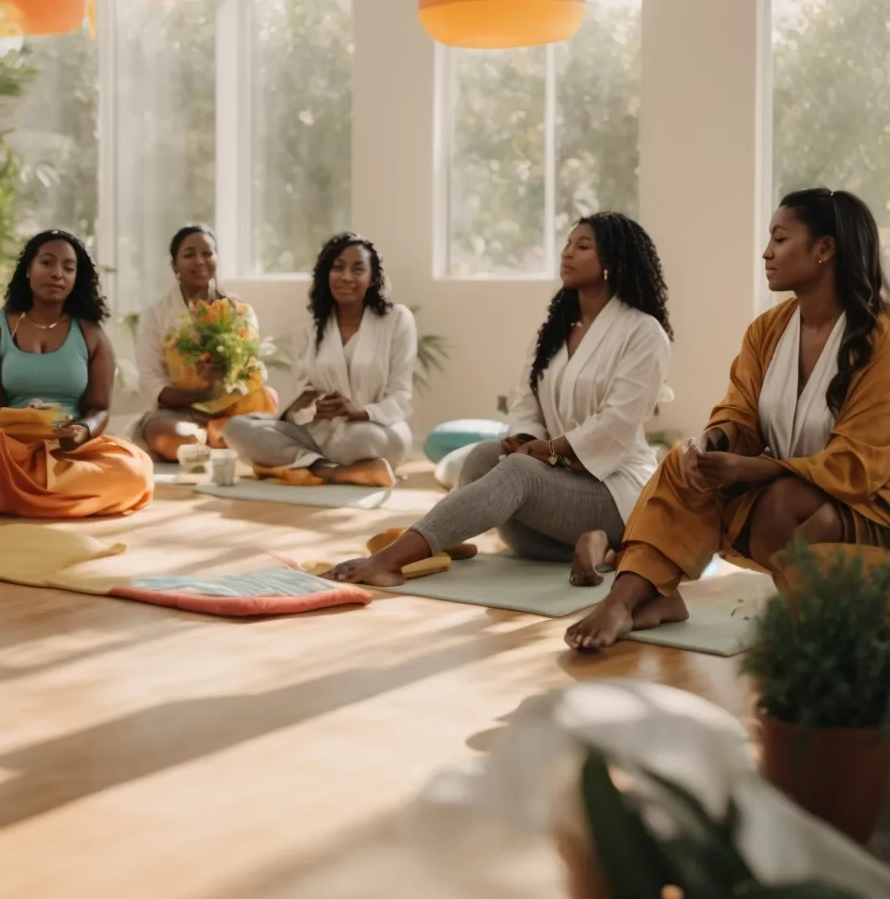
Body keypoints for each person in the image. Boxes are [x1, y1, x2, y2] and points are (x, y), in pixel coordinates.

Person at [567, 189, 890, 651]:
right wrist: (718, 442)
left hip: (868, 508)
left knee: (782, 503)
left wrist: (760, 469)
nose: (766, 252)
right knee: (683, 464)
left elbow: (858, 464)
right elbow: (740, 410)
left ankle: (816, 616)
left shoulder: (881, 341)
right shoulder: (768, 330)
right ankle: (626, 600)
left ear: (824, 250)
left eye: (780, 239)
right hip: (791, 497)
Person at [327, 214, 673, 587]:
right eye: (567, 245)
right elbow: (526, 398)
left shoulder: (643, 332)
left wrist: (547, 452)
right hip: (558, 480)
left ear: (614, 261)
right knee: (482, 457)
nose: (567, 253)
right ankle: (595, 549)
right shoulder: (558, 328)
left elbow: (615, 424)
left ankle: (388, 561)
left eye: (583, 247)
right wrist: (526, 440)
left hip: (614, 491)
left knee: (518, 473)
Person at [0, 230, 155, 518]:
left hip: (70, 450)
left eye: (68, 267)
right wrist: (26, 425)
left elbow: (99, 408)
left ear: (76, 278)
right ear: (28, 269)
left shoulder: (91, 333)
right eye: (47, 263)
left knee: (134, 468)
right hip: (12, 448)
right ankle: (61, 497)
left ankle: (17, 496)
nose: (57, 274)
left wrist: (80, 432)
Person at [223, 233, 414, 488]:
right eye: (338, 268)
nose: (346, 277)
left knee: (365, 440)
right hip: (319, 434)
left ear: (372, 278)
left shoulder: (396, 320)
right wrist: (311, 404)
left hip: (374, 431)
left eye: (358, 269)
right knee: (236, 428)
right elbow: (300, 407)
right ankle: (333, 471)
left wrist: (359, 412)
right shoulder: (307, 330)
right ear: (326, 274)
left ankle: (301, 465)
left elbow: (401, 397)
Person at [134, 225, 279, 459]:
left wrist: (227, 376)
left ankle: (214, 439)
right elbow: (151, 384)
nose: (200, 261)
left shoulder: (240, 311)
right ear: (175, 266)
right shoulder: (156, 314)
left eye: (207, 253)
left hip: (232, 410)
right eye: (189, 255)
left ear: (217, 259)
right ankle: (218, 441)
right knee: (174, 437)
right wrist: (203, 392)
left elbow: (250, 371)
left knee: (267, 396)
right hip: (179, 413)